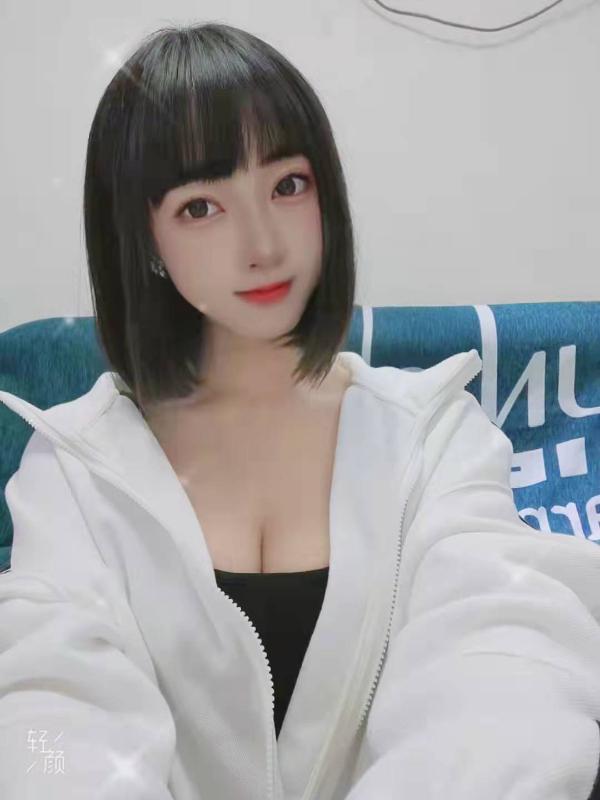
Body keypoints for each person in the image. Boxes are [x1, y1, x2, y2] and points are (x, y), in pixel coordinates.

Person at [1, 20, 600, 800]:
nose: (264, 245)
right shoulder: (76, 468)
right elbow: (44, 715)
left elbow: (505, 661)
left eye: (287, 185)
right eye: (200, 207)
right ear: (143, 239)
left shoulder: (432, 437)